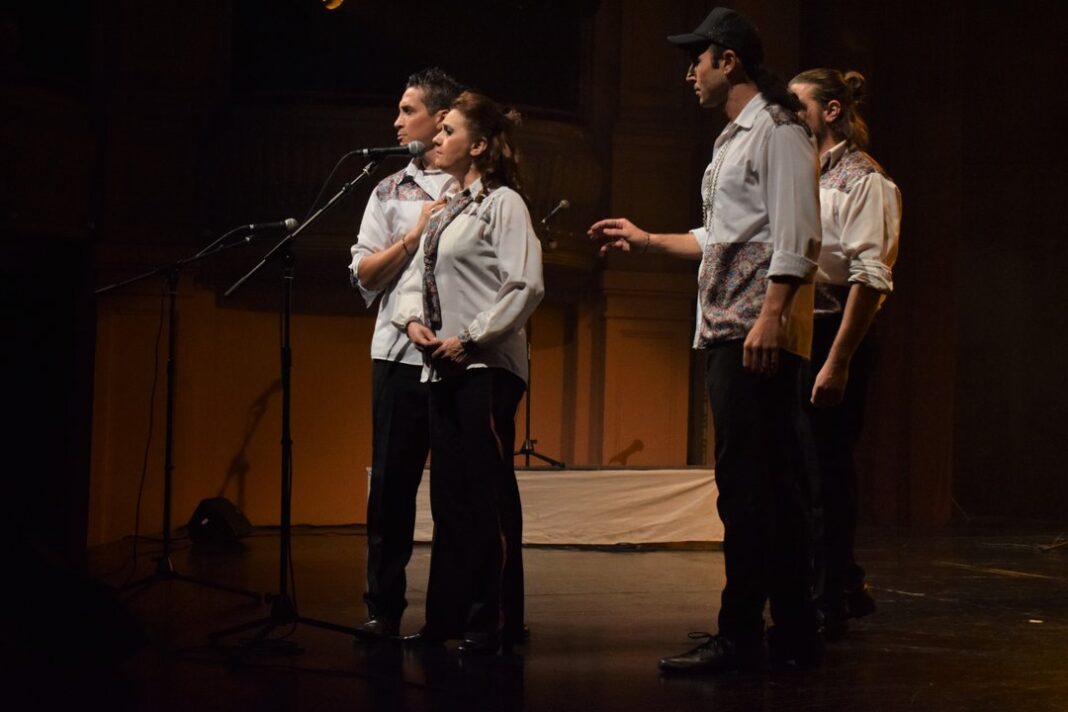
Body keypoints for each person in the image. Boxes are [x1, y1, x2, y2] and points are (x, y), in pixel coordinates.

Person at [589, 7, 822, 673]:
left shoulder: (778, 130)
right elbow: (720, 238)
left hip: (754, 333)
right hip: (730, 329)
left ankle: (746, 634)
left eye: (697, 58)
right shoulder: (731, 141)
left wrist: (771, 317)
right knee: (755, 487)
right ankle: (789, 633)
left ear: (729, 60)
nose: (688, 71)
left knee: (754, 489)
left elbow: (798, 233)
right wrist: (647, 239)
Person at [392, 90, 544, 655]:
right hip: (443, 368)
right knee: (450, 500)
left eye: (448, 130)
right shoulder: (446, 209)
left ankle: (494, 620)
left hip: (485, 368)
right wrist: (412, 324)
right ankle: (444, 622)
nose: (436, 137)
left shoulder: (502, 204)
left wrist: (470, 336)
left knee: (486, 496)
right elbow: (414, 280)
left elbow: (525, 283)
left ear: (478, 145)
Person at [347, 67, 463, 641]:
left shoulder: (478, 190)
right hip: (395, 355)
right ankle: (382, 608)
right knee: (391, 487)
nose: (396, 121)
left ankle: (447, 617)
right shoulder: (387, 191)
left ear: (441, 119)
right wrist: (411, 237)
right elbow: (363, 272)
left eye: (407, 110)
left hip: (458, 358)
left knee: (454, 494)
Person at [789, 68, 901, 639]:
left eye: (797, 103)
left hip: (836, 331)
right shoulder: (801, 175)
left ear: (831, 110)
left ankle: (830, 590)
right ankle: (841, 581)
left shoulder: (864, 179)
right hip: (798, 330)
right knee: (799, 470)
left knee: (824, 468)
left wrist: (838, 360)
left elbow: (869, 276)